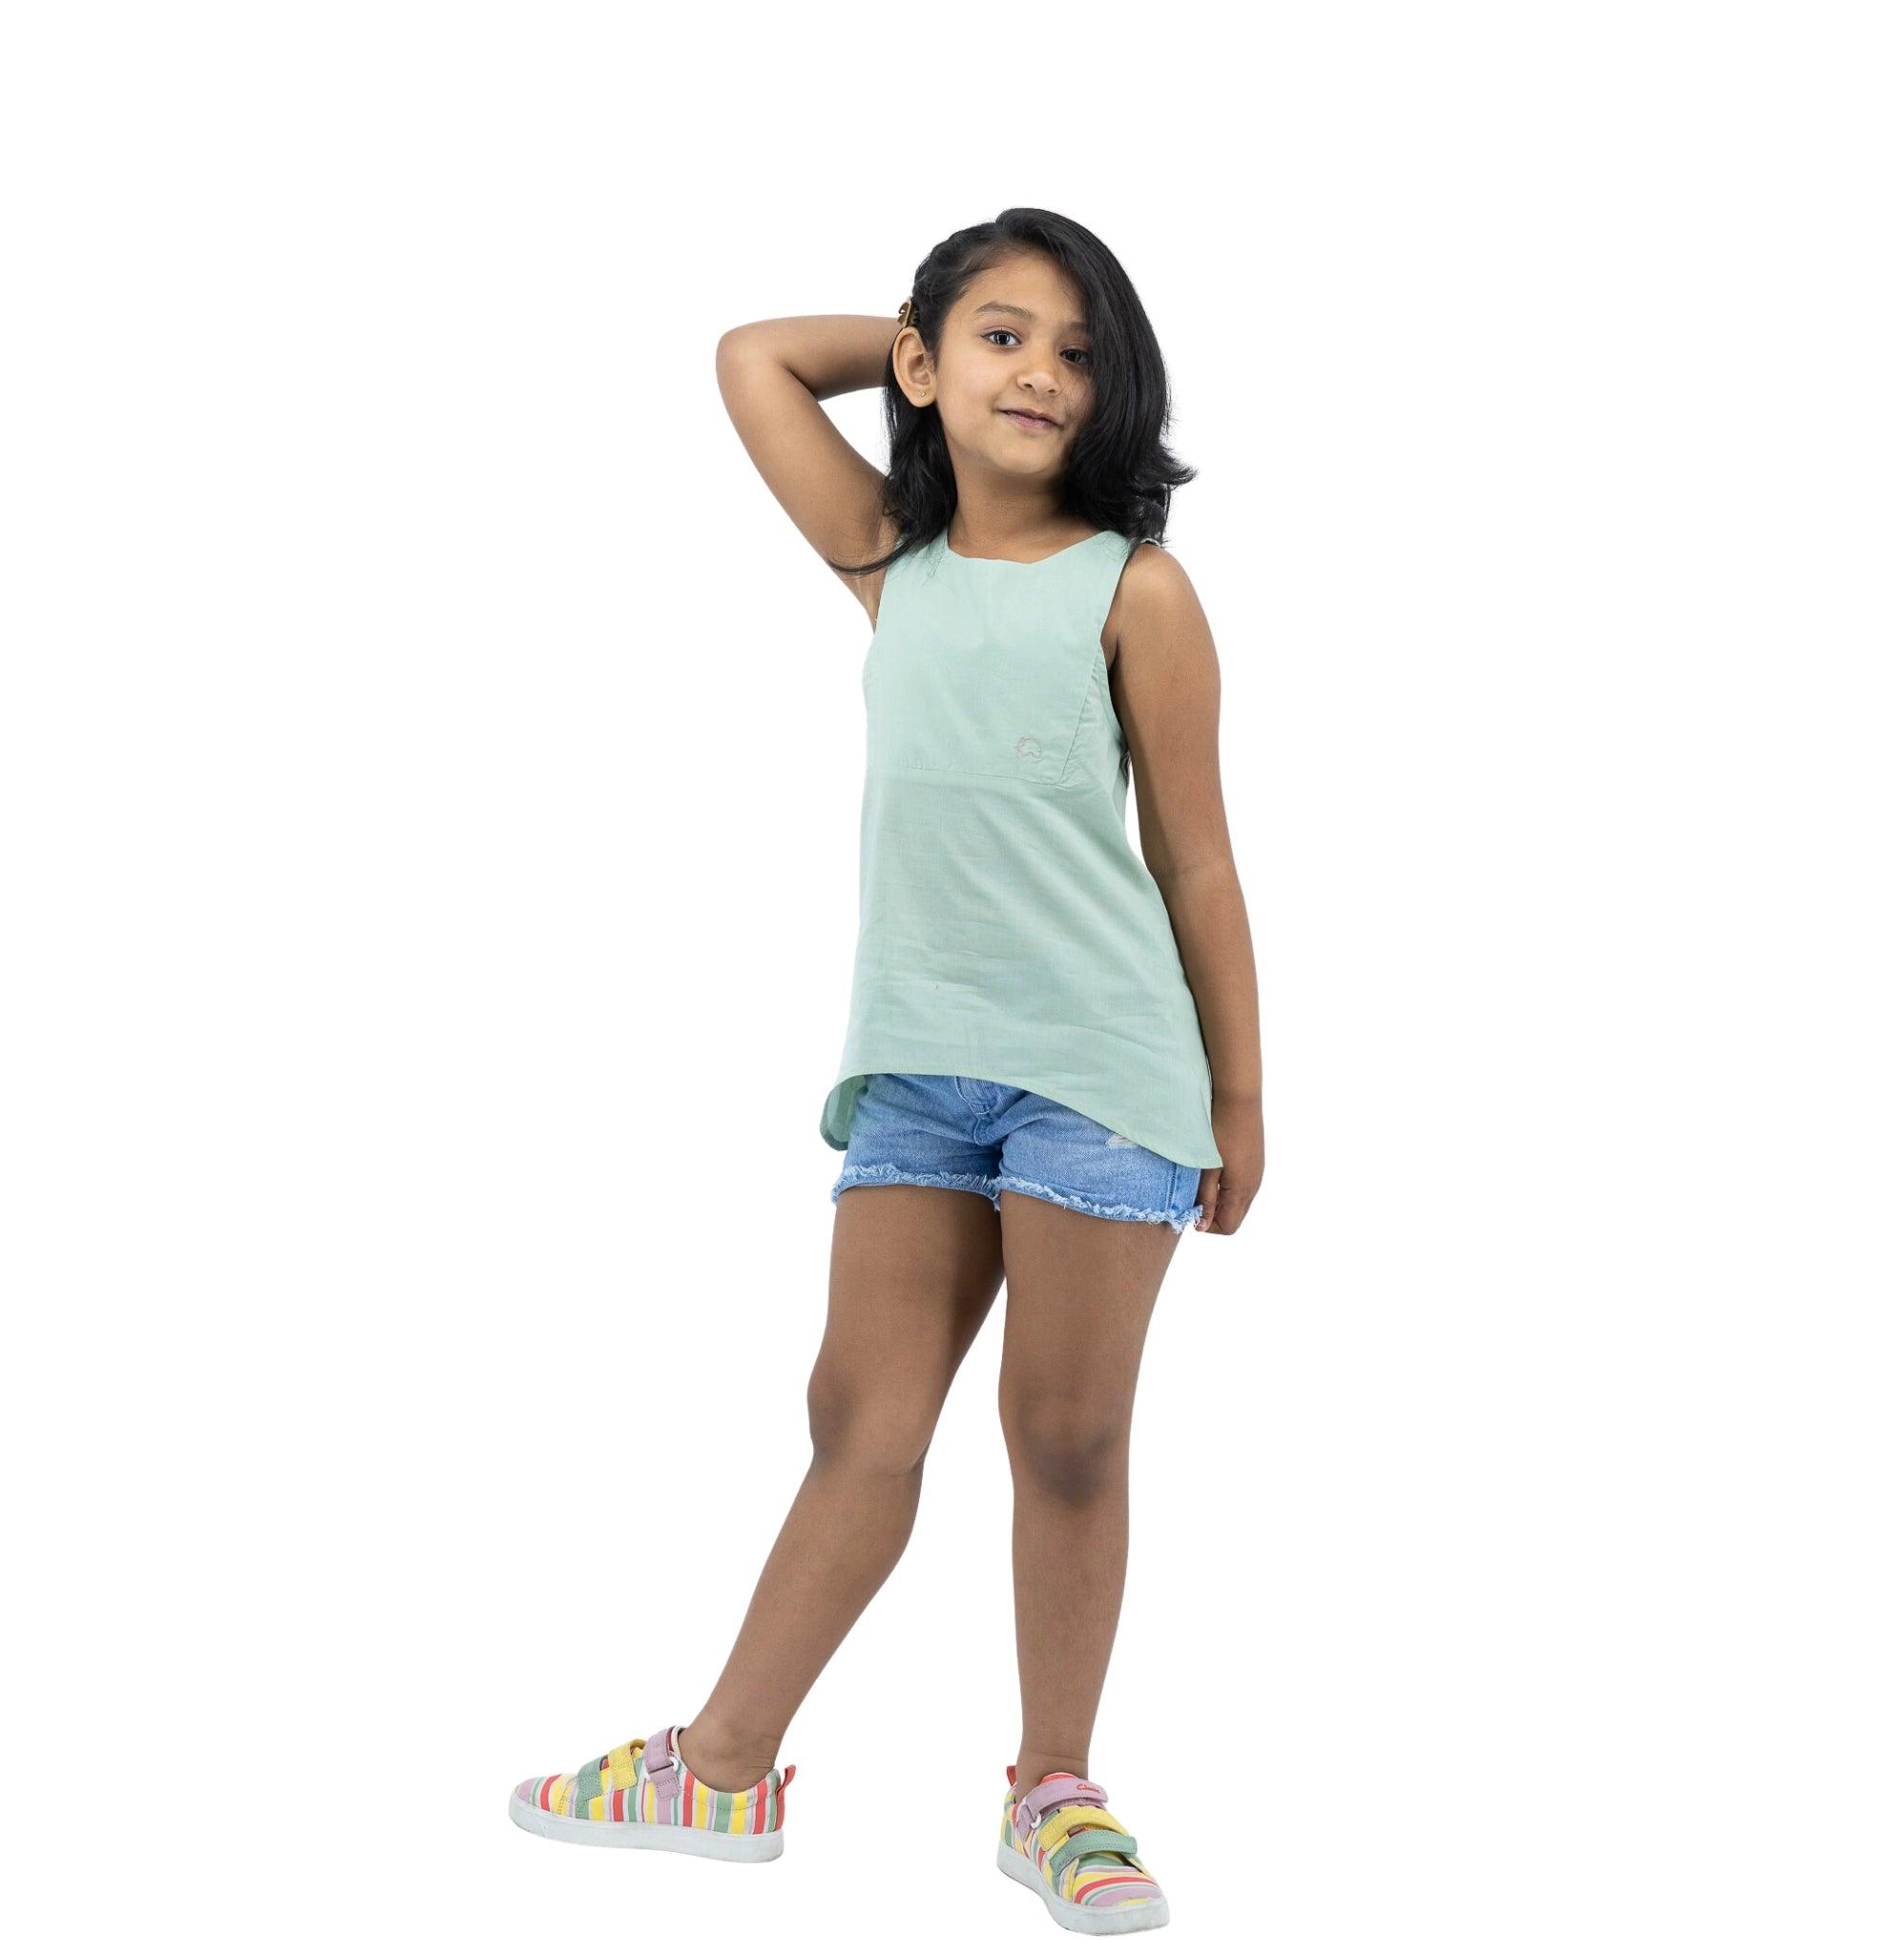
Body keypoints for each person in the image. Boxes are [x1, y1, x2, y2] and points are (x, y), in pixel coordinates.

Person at [508, 208, 1264, 1934]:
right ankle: (720, 1765)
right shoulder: (884, 564)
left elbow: (1201, 860)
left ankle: (1054, 1790)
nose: (1043, 375)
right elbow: (751, 362)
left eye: (1080, 352)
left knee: (1065, 1436)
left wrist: (1242, 1099)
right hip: (921, 1073)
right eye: (1001, 339)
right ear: (926, 369)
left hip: (1102, 1073)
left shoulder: (1134, 589)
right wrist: (919, 330)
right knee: (860, 1421)